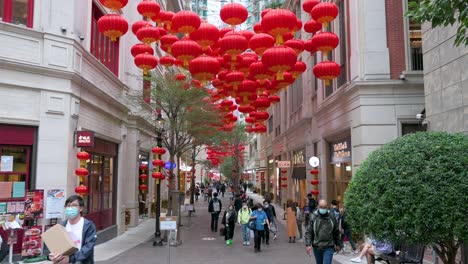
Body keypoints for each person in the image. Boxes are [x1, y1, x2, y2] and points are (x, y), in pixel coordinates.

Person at [48, 195, 97, 264]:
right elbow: (53, 246)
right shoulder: (61, 226)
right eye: (68, 206)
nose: (70, 208)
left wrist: (70, 259)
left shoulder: (88, 226)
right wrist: (50, 256)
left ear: (81, 208)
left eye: (74, 205)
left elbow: (88, 247)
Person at [305, 199, 341, 264]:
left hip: (329, 246)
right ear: (318, 206)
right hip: (317, 246)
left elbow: (336, 231)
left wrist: (338, 244)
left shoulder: (331, 216)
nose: (323, 209)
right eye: (321, 207)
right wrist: (308, 244)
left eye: (324, 207)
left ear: (327, 207)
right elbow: (309, 231)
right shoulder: (313, 216)